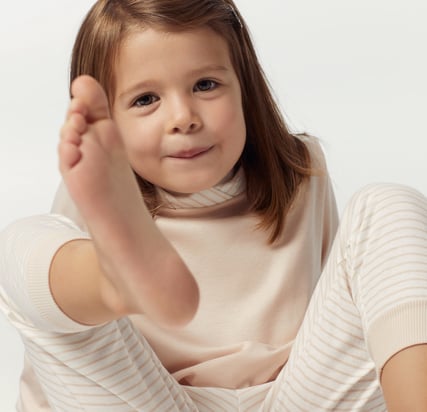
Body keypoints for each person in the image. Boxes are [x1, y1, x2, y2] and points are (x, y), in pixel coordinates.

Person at [0, 0, 426, 410]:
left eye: (205, 85)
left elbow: (343, 318)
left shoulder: (301, 171)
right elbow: (62, 363)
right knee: (22, 246)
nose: (183, 117)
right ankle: (115, 283)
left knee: (386, 205)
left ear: (245, 89)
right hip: (147, 399)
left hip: (293, 398)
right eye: (146, 99)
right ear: (107, 122)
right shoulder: (92, 197)